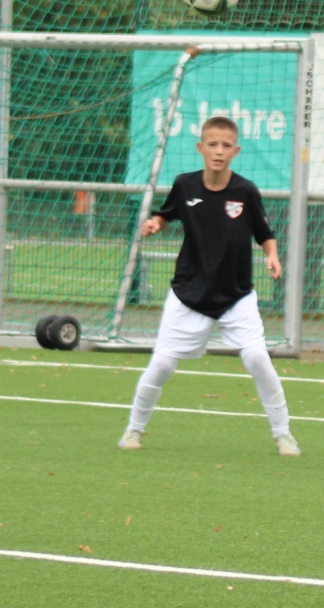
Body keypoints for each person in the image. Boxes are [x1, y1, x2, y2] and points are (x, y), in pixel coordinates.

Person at [119, 116, 297, 456]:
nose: (218, 151)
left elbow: (264, 233)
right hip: (189, 292)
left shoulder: (246, 191)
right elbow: (167, 214)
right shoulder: (185, 185)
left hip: (236, 295)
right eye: (212, 145)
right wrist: (156, 223)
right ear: (200, 148)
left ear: (236, 151)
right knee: (162, 364)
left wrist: (272, 256)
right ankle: (134, 430)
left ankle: (284, 435)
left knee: (258, 359)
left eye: (226, 146)